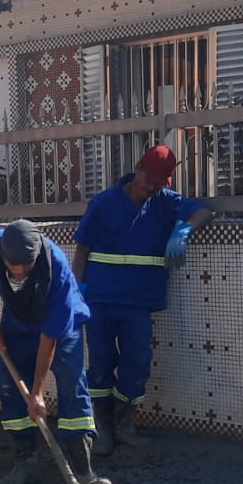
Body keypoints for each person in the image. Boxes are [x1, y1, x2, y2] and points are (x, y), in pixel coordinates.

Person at [74, 145, 215, 454]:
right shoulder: (104, 204)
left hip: (138, 301)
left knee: (136, 363)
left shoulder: (164, 202)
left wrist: (183, 233)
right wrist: (78, 292)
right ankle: (103, 426)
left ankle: (126, 424)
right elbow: (82, 249)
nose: (153, 187)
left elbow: (204, 211)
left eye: (160, 182)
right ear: (138, 168)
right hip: (100, 299)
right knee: (99, 363)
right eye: (150, 179)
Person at [0, 219, 111, 484]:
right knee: (7, 380)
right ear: (2, 254)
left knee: (72, 380)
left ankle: (83, 469)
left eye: (27, 264)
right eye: (13, 265)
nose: (21, 272)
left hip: (60, 326)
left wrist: (38, 392)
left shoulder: (55, 266)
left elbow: (50, 338)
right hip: (17, 321)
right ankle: (26, 461)